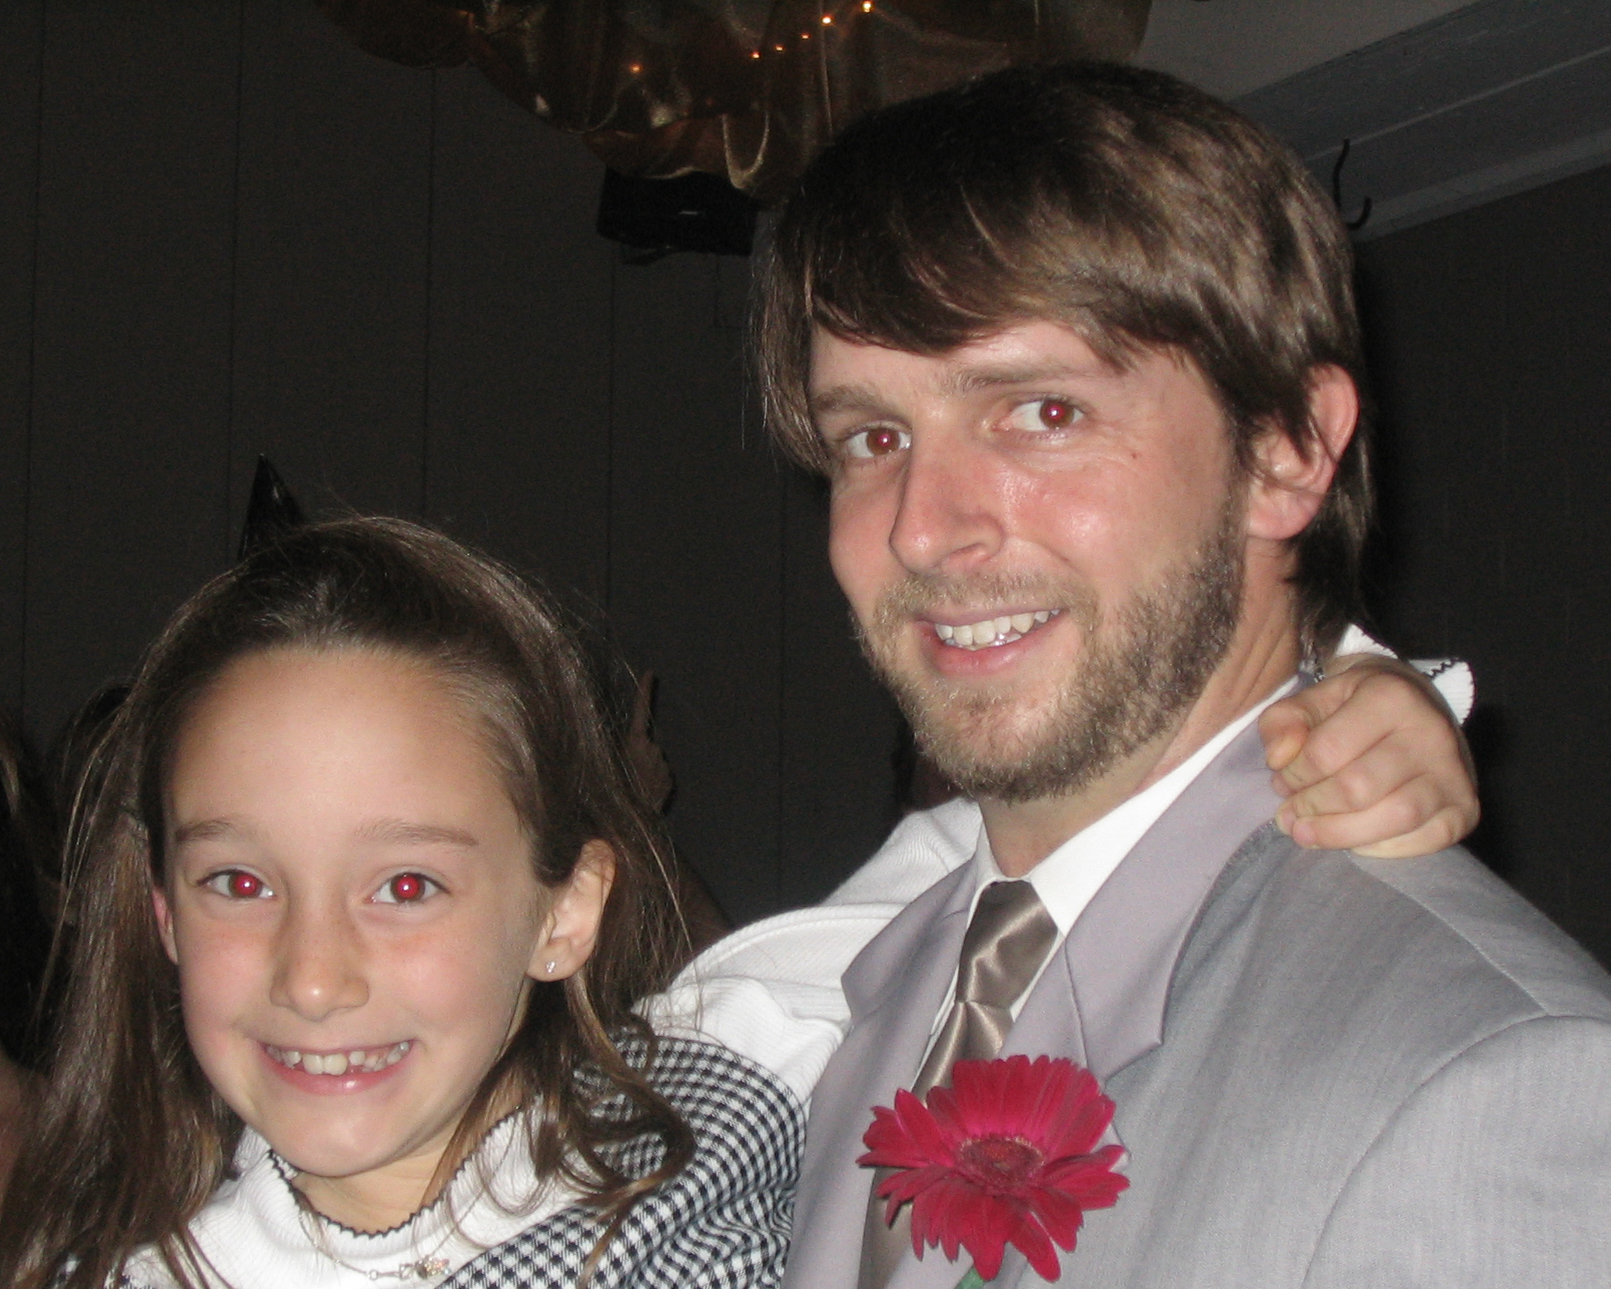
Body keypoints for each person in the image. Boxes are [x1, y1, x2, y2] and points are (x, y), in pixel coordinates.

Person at [663, 62, 1611, 1287]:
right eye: (873, 437)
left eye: (1042, 412)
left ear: (1287, 449)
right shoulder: (873, 996)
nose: (921, 528)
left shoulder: (1481, 1082)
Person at [0, 518, 800, 1289]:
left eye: (405, 886)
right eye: (240, 883)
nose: (313, 981)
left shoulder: (752, 1108)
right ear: (165, 909)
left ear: (564, 911)